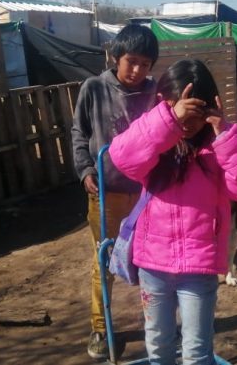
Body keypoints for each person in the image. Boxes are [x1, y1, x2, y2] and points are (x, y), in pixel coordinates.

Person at [109, 59, 237, 365]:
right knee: (158, 344)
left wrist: (226, 135)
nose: (187, 121)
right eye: (179, 106)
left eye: (196, 109)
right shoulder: (154, 147)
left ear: (211, 107)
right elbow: (122, 157)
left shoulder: (218, 150)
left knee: (197, 351)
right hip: (153, 267)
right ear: (162, 103)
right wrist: (167, 120)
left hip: (199, 268)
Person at [70, 24, 159, 360]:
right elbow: (80, 134)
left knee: (150, 259)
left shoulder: (155, 93)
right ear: (115, 56)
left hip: (148, 193)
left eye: (145, 64)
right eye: (131, 61)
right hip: (106, 192)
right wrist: (85, 170)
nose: (137, 70)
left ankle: (155, 323)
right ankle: (100, 328)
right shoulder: (93, 89)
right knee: (104, 260)